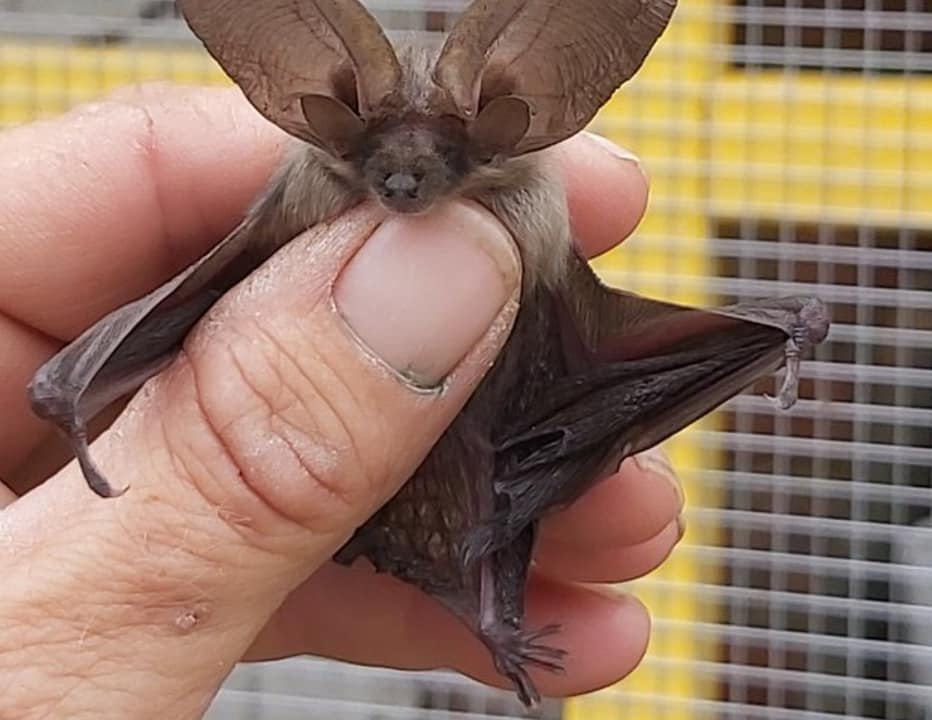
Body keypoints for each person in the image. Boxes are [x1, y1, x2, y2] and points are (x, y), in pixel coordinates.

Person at [0, 84, 685, 718]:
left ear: (492, 153)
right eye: (382, 168)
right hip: (389, 462)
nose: (406, 185)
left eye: (432, 167)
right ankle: (485, 604)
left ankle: (486, 602)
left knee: (513, 457)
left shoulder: (524, 217)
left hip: (463, 433)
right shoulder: (304, 194)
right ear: (340, 148)